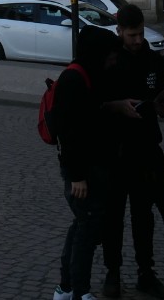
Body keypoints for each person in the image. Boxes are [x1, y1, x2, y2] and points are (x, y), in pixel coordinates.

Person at [100, 5, 164, 299]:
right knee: (113, 215)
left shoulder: (152, 59)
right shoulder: (108, 60)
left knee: (144, 216)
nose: (138, 40)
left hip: (145, 148)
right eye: (132, 35)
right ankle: (113, 272)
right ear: (119, 31)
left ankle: (146, 272)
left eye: (141, 33)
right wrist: (117, 106)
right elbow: (94, 103)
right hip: (115, 149)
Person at [51, 26, 121, 300]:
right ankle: (79, 292)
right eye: (110, 56)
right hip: (82, 171)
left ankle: (66, 288)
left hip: (91, 166)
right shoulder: (74, 79)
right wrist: (77, 176)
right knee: (86, 232)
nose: (113, 60)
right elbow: (68, 132)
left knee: (82, 226)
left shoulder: (89, 74)